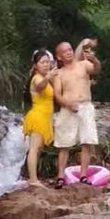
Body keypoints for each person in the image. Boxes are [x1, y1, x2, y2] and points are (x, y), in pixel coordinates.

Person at [50, 37, 100, 183]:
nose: (68, 52)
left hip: (85, 106)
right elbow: (57, 95)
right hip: (68, 108)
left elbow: (96, 69)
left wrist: (94, 59)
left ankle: (83, 175)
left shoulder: (83, 64)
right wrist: (68, 105)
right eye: (64, 51)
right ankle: (60, 176)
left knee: (86, 141)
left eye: (70, 49)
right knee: (63, 143)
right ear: (59, 56)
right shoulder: (59, 73)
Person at [21, 49, 55, 184]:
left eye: (47, 62)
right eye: (42, 62)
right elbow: (40, 86)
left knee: (38, 148)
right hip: (38, 117)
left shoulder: (45, 78)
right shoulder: (37, 78)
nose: (46, 65)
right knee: (34, 148)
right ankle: (33, 179)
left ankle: (34, 178)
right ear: (35, 65)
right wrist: (48, 77)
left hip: (45, 117)